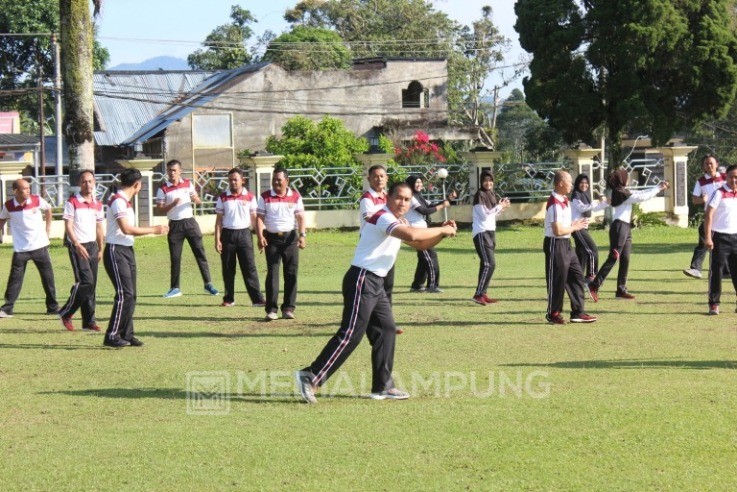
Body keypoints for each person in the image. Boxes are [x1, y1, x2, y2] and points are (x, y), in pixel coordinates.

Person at [295, 182, 458, 404]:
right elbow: (411, 235)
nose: (402, 203)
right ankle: (311, 376)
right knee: (351, 334)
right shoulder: (383, 217)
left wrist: (443, 233)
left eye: (407, 199)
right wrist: (442, 229)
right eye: (398, 197)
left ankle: (383, 386)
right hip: (362, 278)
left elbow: (420, 244)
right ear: (388, 197)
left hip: (376, 282)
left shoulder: (398, 220)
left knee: (387, 330)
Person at [103, 168, 168, 348]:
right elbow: (127, 229)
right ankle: (112, 335)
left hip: (126, 249)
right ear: (137, 185)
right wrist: (154, 230)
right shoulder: (118, 201)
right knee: (125, 294)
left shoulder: (125, 202)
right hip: (116, 250)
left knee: (132, 295)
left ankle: (127, 333)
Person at [587, 168, 669, 302]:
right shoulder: (620, 192)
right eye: (626, 176)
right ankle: (594, 285)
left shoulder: (622, 191)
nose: (628, 178)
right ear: (621, 179)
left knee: (625, 258)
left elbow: (639, 193)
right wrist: (658, 188)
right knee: (614, 257)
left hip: (625, 227)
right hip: (620, 227)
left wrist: (657, 187)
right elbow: (641, 197)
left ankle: (621, 289)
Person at [155, 159, 218, 298]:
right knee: (175, 257)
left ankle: (208, 284)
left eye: (174, 170)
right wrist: (172, 204)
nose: (172, 173)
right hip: (175, 225)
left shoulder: (188, 184)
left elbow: (198, 200)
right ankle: (175, 288)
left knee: (200, 253)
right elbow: (159, 209)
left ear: (180, 171)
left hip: (190, 222)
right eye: (169, 170)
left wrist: (196, 199)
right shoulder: (163, 188)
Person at [543, 170, 597, 324]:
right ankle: (553, 313)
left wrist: (574, 224)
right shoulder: (554, 204)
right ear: (560, 183)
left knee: (577, 275)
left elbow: (564, 226)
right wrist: (574, 227)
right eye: (570, 182)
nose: (572, 185)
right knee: (558, 280)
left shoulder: (565, 200)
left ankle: (578, 312)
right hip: (555, 243)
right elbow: (557, 231)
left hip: (566, 243)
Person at [0, 178, 59, 318]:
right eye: (25, 189)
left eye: (28, 188)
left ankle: (53, 307)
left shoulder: (37, 200)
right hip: (21, 249)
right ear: (16, 191)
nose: (28, 191)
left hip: (40, 246)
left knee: (48, 278)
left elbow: (48, 209)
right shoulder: (8, 205)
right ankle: (6, 309)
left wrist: (48, 228)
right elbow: (2, 218)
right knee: (15, 279)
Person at [256, 168, 306, 321]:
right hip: (272, 239)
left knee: (291, 274)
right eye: (274, 179)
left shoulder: (295, 197)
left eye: (279, 179)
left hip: (290, 238)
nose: (276, 182)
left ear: (287, 181)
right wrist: (260, 236)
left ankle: (288, 308)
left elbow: (301, 218)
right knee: (272, 274)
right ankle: (271, 310)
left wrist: (302, 235)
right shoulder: (265, 197)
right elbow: (259, 218)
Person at [58, 171, 105, 331]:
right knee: (86, 281)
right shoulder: (72, 202)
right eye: (84, 181)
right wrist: (77, 244)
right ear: (79, 183)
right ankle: (66, 313)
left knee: (91, 285)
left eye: (91, 181)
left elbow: (99, 227)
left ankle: (89, 321)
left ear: (95, 182)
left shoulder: (98, 204)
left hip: (92, 246)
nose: (88, 184)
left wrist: (101, 248)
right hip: (78, 247)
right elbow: (68, 226)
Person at [214, 168, 265, 308]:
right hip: (228, 235)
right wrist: (217, 239)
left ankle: (257, 299)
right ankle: (229, 298)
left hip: (244, 235)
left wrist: (260, 237)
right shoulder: (223, 197)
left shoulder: (250, 197)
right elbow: (219, 220)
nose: (233, 182)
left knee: (249, 267)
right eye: (230, 179)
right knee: (228, 268)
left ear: (242, 180)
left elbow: (254, 218)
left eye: (235, 179)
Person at [404, 174, 455, 293]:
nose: (419, 184)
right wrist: (442, 206)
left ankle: (417, 285)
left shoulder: (418, 196)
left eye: (420, 182)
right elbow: (424, 210)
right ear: (410, 184)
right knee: (430, 256)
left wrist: (448, 200)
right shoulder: (410, 197)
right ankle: (432, 285)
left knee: (424, 259)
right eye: (417, 182)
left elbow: (430, 205)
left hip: (422, 230)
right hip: (416, 231)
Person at [471, 170, 510, 305]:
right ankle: (478, 294)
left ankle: (483, 293)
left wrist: (502, 207)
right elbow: (484, 215)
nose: (488, 183)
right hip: (481, 233)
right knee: (490, 264)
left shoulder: (491, 194)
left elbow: (492, 215)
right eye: (485, 181)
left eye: (490, 180)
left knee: (486, 264)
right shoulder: (480, 195)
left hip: (490, 232)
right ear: (481, 182)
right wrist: (500, 206)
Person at [684, 154, 725, 279]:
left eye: (711, 163)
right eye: (706, 163)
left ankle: (727, 270)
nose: (709, 165)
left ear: (716, 164)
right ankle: (696, 269)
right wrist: (703, 199)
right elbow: (695, 200)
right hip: (710, 217)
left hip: (725, 216)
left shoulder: (724, 178)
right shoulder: (701, 181)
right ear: (703, 166)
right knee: (703, 240)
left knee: (727, 243)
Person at [703, 164, 737, 315]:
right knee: (716, 271)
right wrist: (708, 237)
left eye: (736, 177)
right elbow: (708, 215)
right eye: (731, 177)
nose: (734, 180)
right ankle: (714, 304)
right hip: (720, 237)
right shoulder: (719, 193)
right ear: (726, 177)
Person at [571, 174, 608, 281]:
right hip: (577, 228)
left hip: (583, 227)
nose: (584, 185)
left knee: (581, 254)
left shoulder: (585, 195)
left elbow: (594, 208)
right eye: (582, 183)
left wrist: (606, 203)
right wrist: (597, 202)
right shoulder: (576, 196)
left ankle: (576, 280)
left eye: (586, 183)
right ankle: (591, 276)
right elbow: (582, 208)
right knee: (592, 250)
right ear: (577, 184)